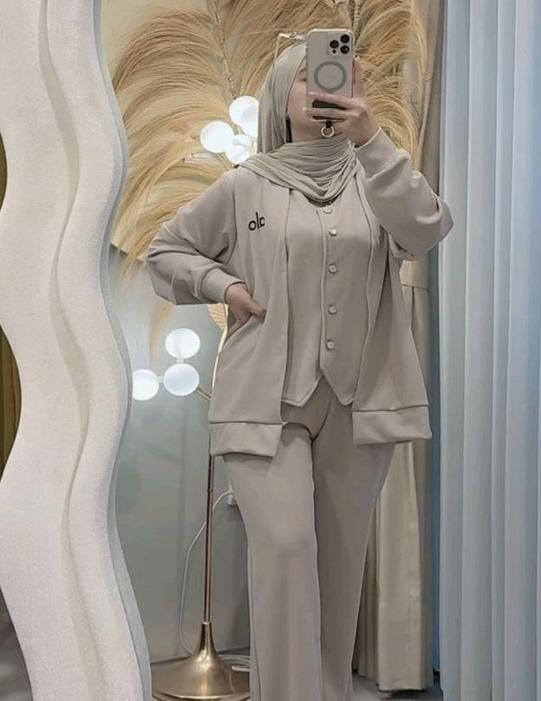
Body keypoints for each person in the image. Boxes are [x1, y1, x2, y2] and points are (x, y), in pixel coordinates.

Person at [146, 39, 454, 701]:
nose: (322, 91)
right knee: (286, 552)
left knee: (340, 573)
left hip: (358, 401)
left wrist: (371, 134)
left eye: (334, 79)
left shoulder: (377, 177)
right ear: (280, 97)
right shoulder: (246, 184)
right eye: (307, 80)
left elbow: (427, 228)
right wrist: (223, 285)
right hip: (264, 402)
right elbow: (165, 252)